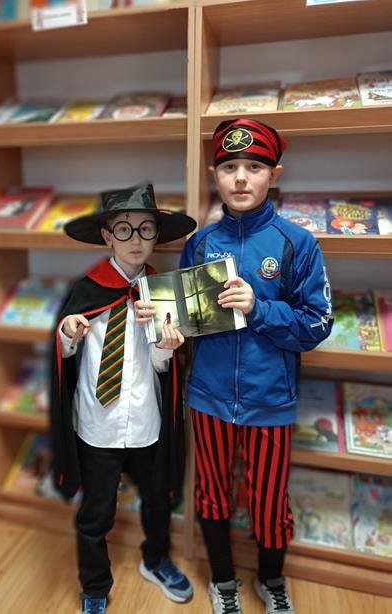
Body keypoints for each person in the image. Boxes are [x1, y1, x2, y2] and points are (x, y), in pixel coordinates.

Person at [142, 118, 333, 614]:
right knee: (211, 493)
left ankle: (272, 580)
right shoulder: (201, 243)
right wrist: (164, 325)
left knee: (269, 500)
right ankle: (223, 581)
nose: (241, 178)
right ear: (215, 175)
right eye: (229, 168)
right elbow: (186, 319)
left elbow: (317, 324)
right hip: (208, 398)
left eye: (254, 167)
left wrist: (258, 308)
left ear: (275, 174)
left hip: (270, 400)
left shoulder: (297, 243)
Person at [49, 182, 197, 614]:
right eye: (124, 229)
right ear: (107, 236)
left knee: (157, 499)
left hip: (146, 421)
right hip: (98, 424)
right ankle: (95, 587)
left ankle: (156, 560)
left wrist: (167, 346)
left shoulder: (164, 292)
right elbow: (63, 355)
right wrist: (68, 333)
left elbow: (162, 369)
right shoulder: (86, 289)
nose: (135, 239)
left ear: (156, 236)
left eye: (145, 229)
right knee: (96, 513)